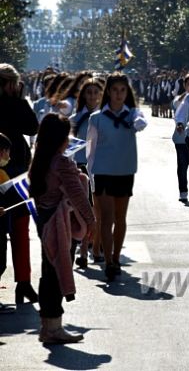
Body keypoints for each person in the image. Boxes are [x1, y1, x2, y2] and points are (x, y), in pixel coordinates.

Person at [29, 113, 95, 343]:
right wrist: (91, 221)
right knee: (57, 272)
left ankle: (48, 326)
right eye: (67, 135)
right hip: (60, 224)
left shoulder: (39, 160)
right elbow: (78, 196)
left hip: (43, 220)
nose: (69, 139)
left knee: (49, 271)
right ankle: (53, 328)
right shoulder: (62, 162)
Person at [86, 73, 147, 280]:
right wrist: (91, 175)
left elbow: (141, 122)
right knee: (107, 217)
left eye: (123, 90)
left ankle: (116, 256)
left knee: (121, 217)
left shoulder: (132, 115)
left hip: (125, 170)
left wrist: (137, 119)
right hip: (103, 172)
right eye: (114, 90)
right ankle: (109, 261)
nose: (119, 94)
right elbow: (90, 150)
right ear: (108, 92)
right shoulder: (97, 118)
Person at [0, 63, 39, 305]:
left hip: (16, 169)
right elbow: (31, 126)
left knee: (16, 227)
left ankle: (23, 282)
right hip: (11, 169)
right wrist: (20, 100)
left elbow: (32, 127)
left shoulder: (14, 103)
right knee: (18, 229)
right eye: (13, 83)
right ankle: (22, 281)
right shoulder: (15, 104)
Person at [69, 78, 104, 268]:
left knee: (100, 209)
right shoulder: (75, 119)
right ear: (83, 95)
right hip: (80, 168)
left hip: (102, 168)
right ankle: (83, 250)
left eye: (95, 92)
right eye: (88, 92)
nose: (92, 96)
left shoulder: (105, 117)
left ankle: (96, 247)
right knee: (84, 210)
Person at [173, 73, 189, 204]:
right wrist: (186, 94)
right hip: (181, 138)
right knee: (182, 165)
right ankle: (183, 191)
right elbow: (176, 106)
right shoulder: (181, 98)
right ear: (184, 85)